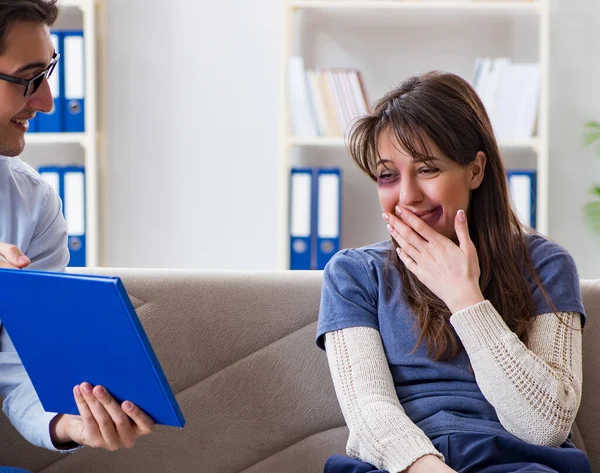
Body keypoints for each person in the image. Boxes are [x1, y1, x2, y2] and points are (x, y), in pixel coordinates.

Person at [316, 71, 592, 473]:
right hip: (407, 466)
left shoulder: (546, 265)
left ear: (475, 170)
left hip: (516, 461)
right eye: (387, 174)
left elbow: (546, 425)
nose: (407, 196)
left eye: (427, 169)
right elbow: (369, 414)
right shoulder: (354, 274)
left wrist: (465, 297)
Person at [0, 0, 154, 469]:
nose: (46, 100)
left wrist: (68, 422)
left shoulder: (33, 206)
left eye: (49, 71)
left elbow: (18, 370)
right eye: (28, 77)